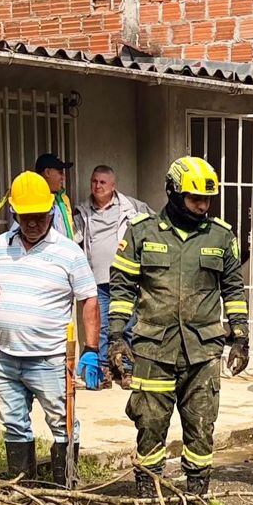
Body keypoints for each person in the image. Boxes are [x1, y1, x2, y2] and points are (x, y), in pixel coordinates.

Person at [106, 156, 248, 497]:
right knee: (150, 425)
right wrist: (116, 336)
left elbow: (233, 288)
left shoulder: (221, 236)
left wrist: (241, 336)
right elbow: (122, 286)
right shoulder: (142, 232)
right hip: (153, 350)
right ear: (172, 192)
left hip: (203, 353)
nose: (202, 206)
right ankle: (148, 498)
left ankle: (197, 499)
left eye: (207, 200)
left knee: (201, 427)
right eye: (195, 198)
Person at [0, 172, 99, 486]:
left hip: (50, 360)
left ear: (50, 212)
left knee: (62, 423)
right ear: (15, 214)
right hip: (8, 359)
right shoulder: (0, 247)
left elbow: (89, 300)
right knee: (13, 422)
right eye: (26, 218)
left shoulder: (68, 252)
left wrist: (91, 350)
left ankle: (64, 483)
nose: (33, 223)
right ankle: (22, 483)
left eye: (39, 217)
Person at [74, 164, 153, 384]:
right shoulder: (82, 211)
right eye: (94, 181)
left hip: (125, 279)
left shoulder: (132, 207)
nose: (97, 186)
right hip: (97, 280)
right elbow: (72, 239)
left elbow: (156, 227)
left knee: (127, 325)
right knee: (100, 328)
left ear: (113, 185)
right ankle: (103, 371)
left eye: (102, 182)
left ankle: (127, 369)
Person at [33, 152, 77, 239]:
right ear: (47, 172)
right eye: (60, 173)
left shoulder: (64, 199)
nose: (63, 178)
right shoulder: (31, 199)